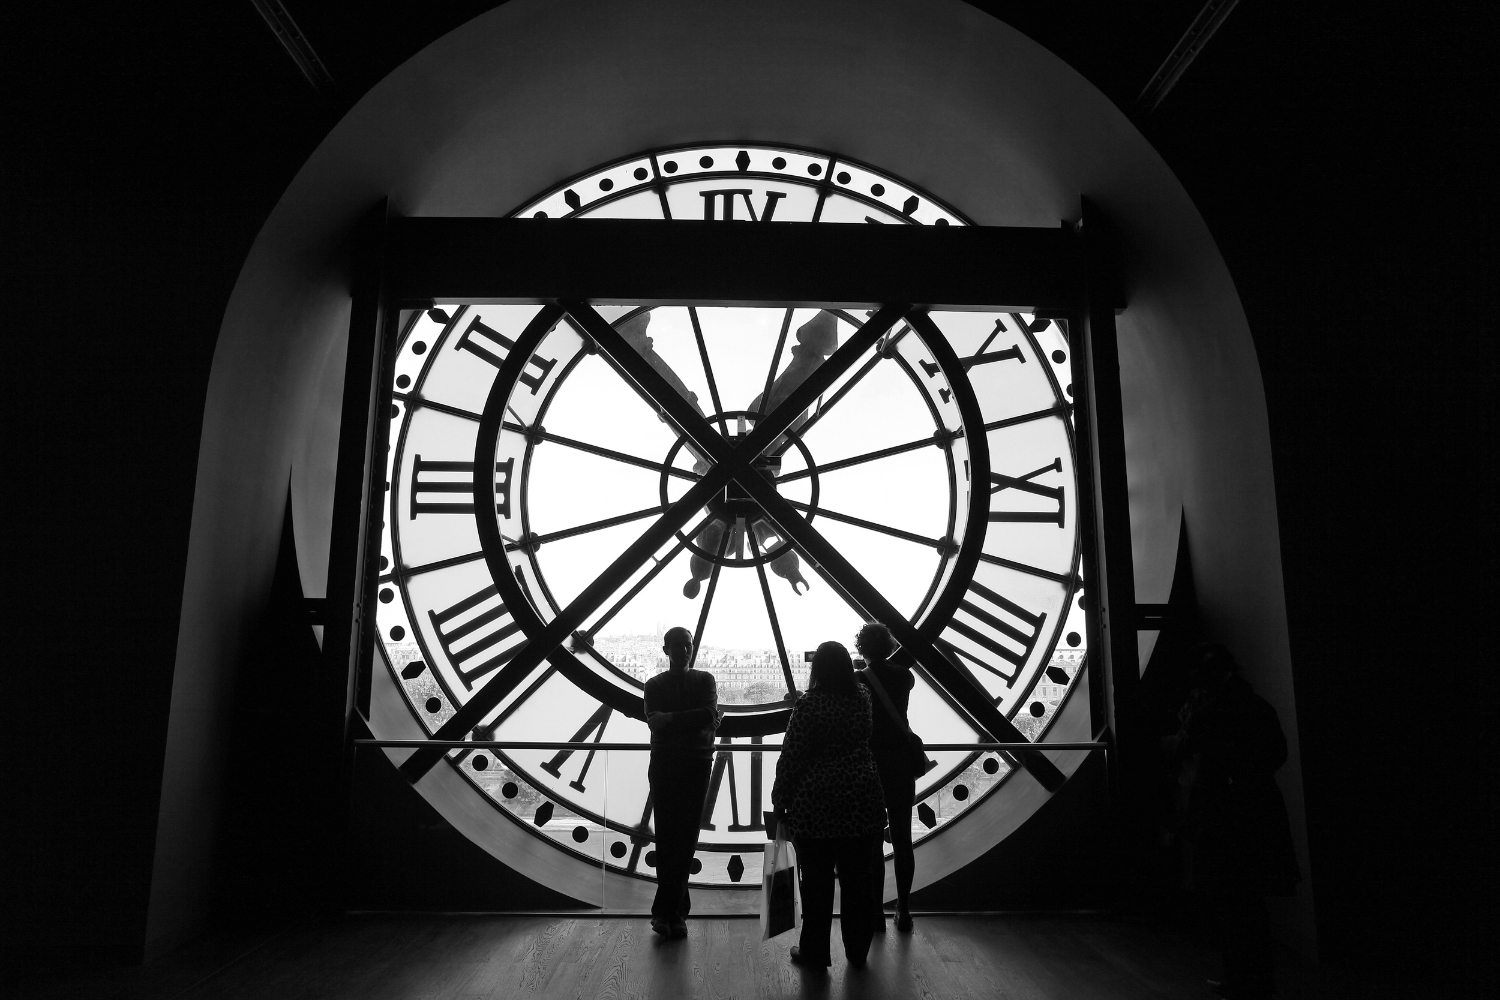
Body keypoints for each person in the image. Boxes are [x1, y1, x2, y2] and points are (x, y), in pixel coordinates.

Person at [1163, 643, 1301, 1000]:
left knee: (1231, 906)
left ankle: (1241, 979)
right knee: (1245, 906)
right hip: (1246, 818)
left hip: (1219, 821)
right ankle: (1251, 981)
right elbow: (1273, 756)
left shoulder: (1207, 717)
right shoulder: (1252, 710)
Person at [771, 641, 888, 969]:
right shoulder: (862, 699)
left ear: (817, 669)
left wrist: (780, 799)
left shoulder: (809, 705)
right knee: (857, 881)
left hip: (816, 806)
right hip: (862, 797)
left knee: (816, 885)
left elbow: (792, 756)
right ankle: (857, 950)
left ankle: (815, 951)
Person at [644, 626, 722, 939]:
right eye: (681, 646)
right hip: (698, 762)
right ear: (670, 649)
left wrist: (670, 720)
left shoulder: (654, 685)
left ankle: (667, 913)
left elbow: (658, 723)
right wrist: (694, 722)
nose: (683, 650)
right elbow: (707, 715)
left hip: (665, 762)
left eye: (684, 645)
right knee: (686, 838)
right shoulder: (705, 681)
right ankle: (673, 914)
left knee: (667, 837)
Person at [853, 622, 917, 933]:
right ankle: (903, 909)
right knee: (903, 839)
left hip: (871, 766)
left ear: (861, 648)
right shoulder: (904, 677)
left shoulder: (858, 681)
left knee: (872, 845)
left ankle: (875, 911)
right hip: (901, 763)